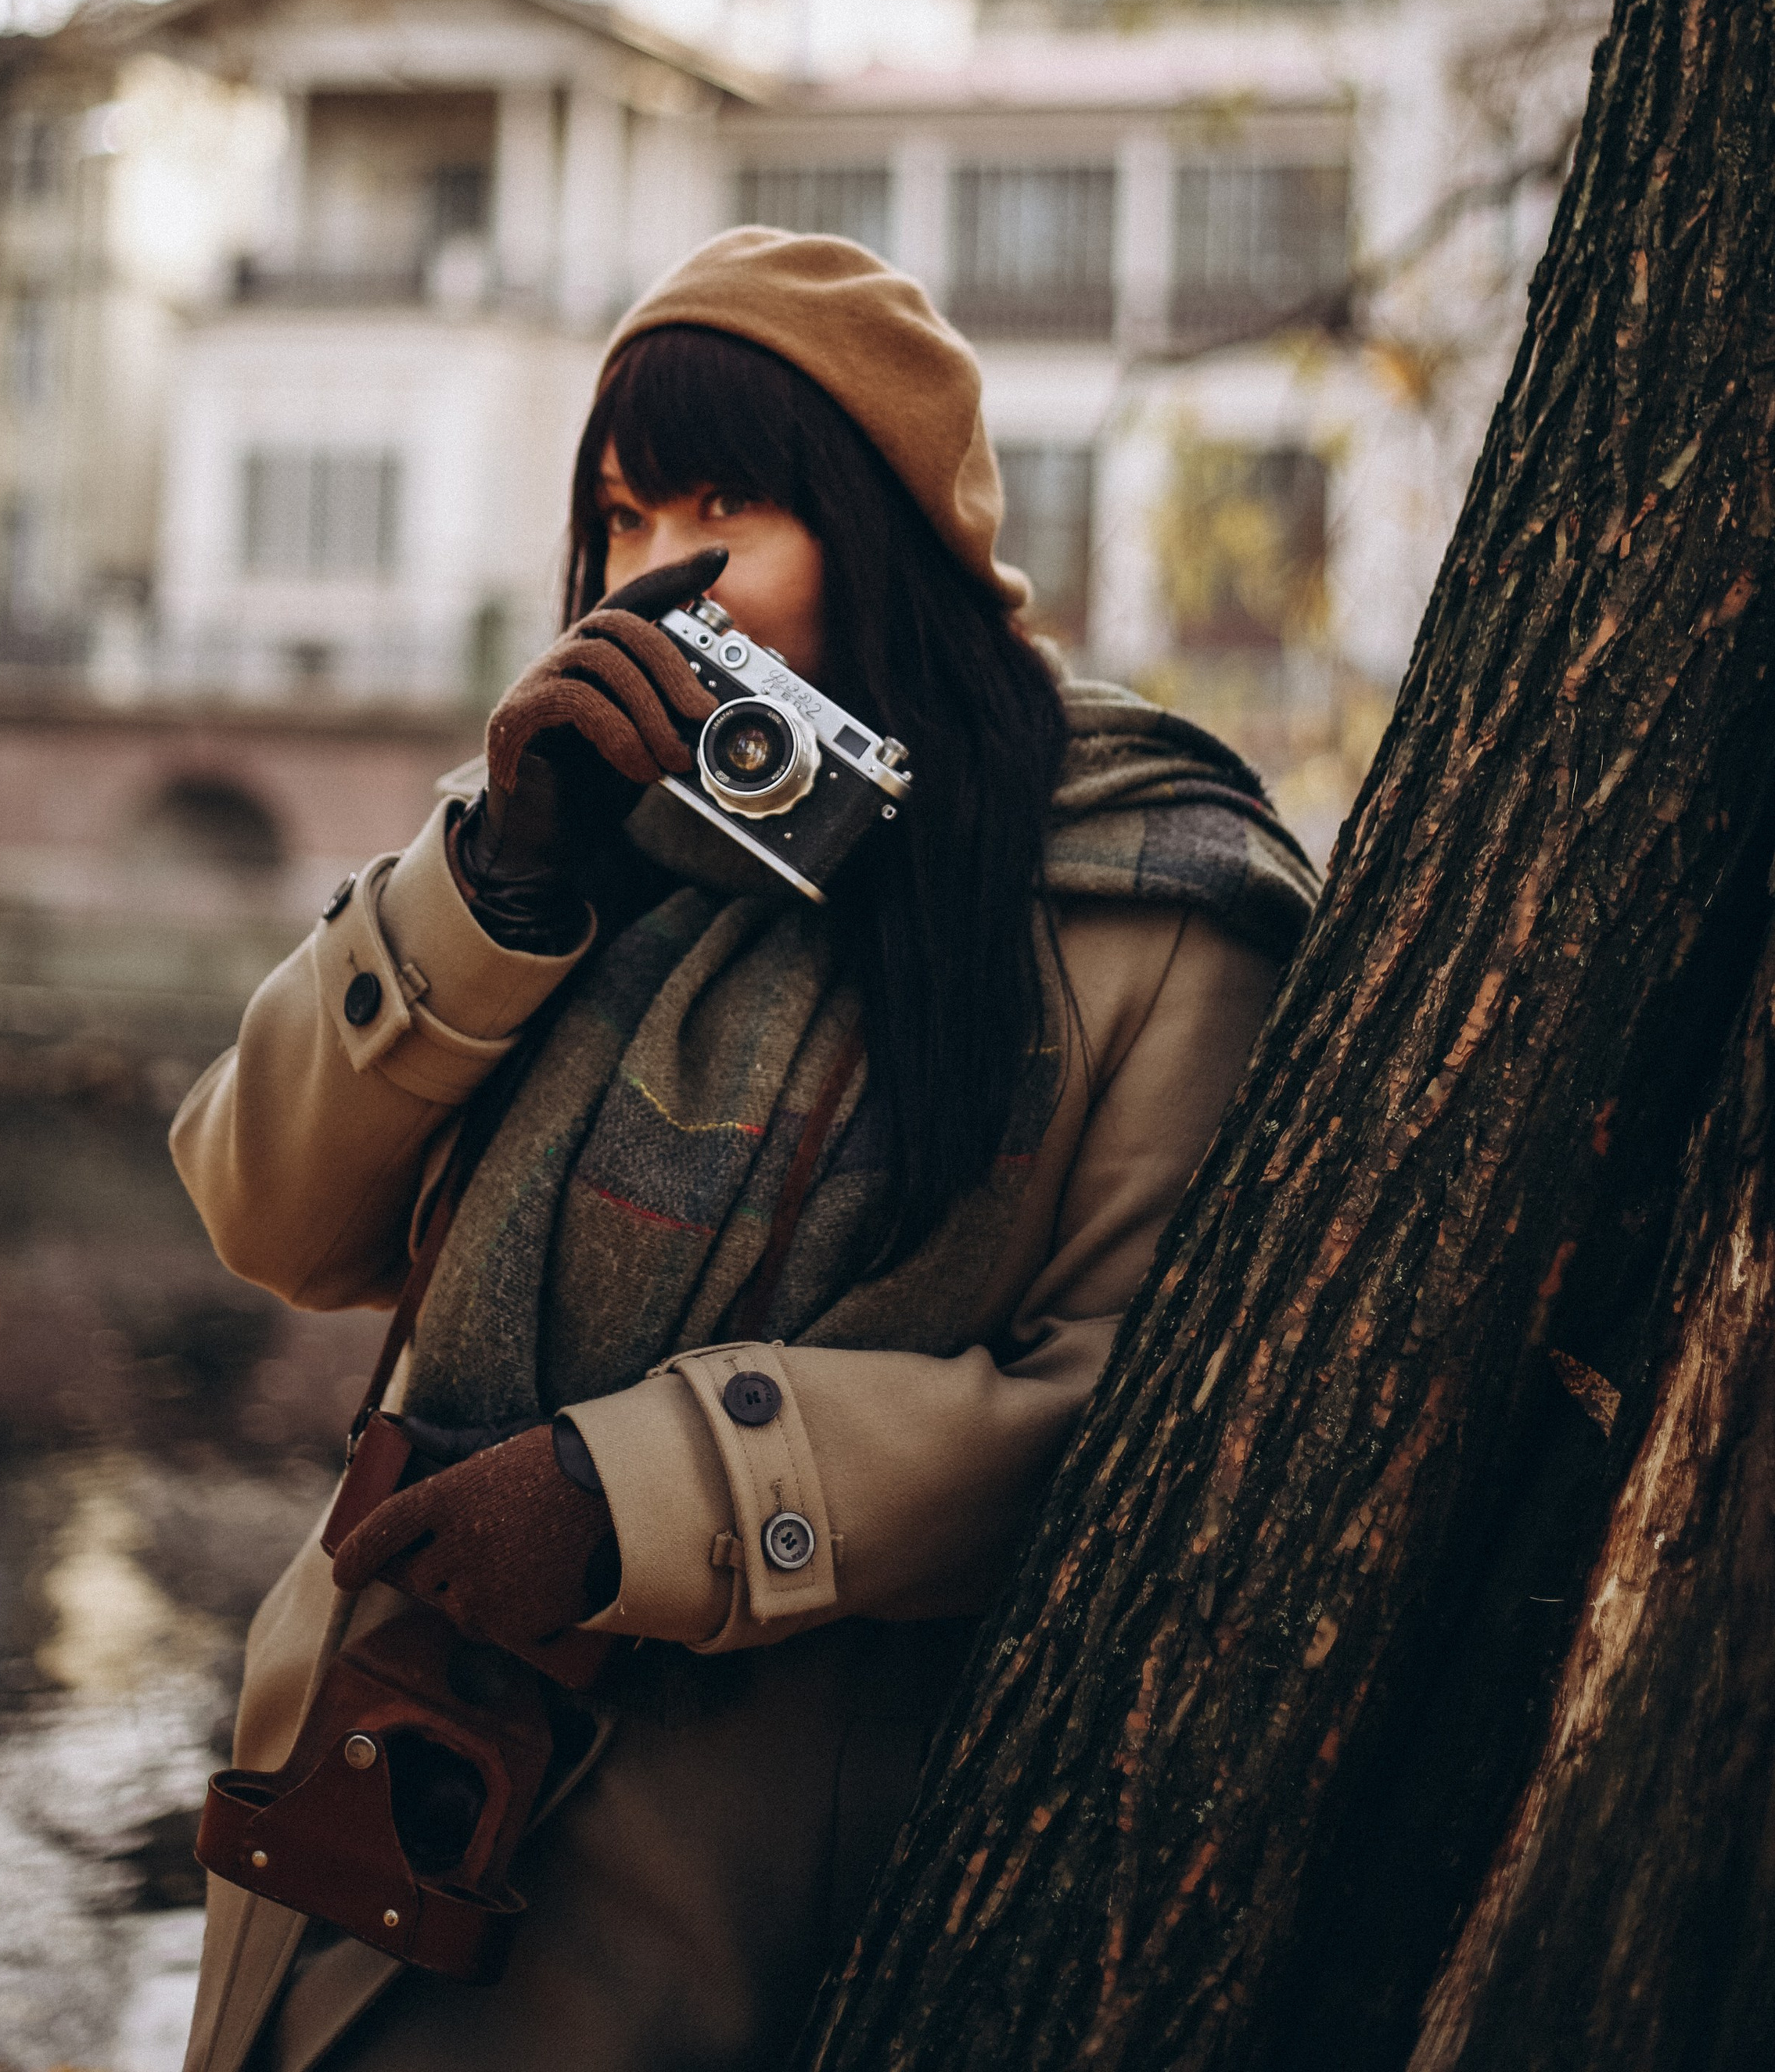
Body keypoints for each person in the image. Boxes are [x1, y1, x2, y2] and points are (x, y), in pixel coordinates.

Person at [172, 229, 1319, 2072]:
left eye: (724, 507)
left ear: (885, 540)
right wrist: (490, 889)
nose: (658, 571)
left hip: (698, 1874)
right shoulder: (568, 822)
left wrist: (638, 1497)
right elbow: (265, 1217)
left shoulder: (1142, 904)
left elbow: (1122, 1412)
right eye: (620, 515)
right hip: (354, 1769)